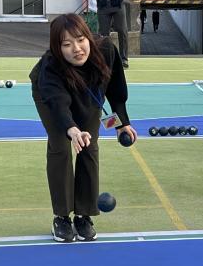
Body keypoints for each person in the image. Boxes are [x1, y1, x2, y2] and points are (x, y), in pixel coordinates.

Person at [30, 14, 136, 243]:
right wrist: (71, 129)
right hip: (51, 98)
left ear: (89, 37)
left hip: (89, 90)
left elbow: (115, 89)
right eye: (66, 44)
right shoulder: (51, 66)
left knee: (89, 145)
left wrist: (122, 123)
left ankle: (83, 215)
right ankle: (61, 216)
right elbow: (58, 102)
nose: (76, 49)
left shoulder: (106, 50)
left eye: (80, 40)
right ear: (58, 48)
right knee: (60, 146)